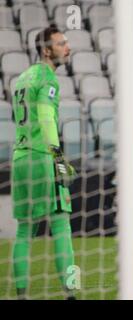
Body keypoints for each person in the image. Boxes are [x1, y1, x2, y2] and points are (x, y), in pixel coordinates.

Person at [11, 26, 76, 299]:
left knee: (25, 230)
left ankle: (21, 294)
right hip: (42, 158)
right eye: (61, 44)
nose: (67, 47)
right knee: (61, 224)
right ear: (46, 50)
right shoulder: (48, 78)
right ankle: (71, 292)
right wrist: (59, 158)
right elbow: (47, 119)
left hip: (20, 157)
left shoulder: (22, 78)